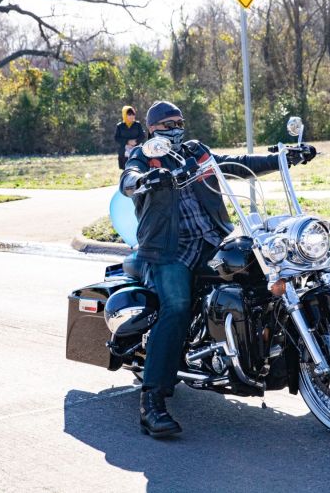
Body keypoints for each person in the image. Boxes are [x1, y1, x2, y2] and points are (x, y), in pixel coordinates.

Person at [119, 100, 314, 438]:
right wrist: (149, 178)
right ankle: (151, 402)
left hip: (213, 240)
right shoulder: (146, 156)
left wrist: (283, 159)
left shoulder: (196, 152)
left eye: (178, 121)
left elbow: (235, 163)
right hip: (169, 250)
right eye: (166, 124)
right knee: (176, 306)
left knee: (263, 275)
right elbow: (128, 179)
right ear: (152, 129)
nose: (174, 127)